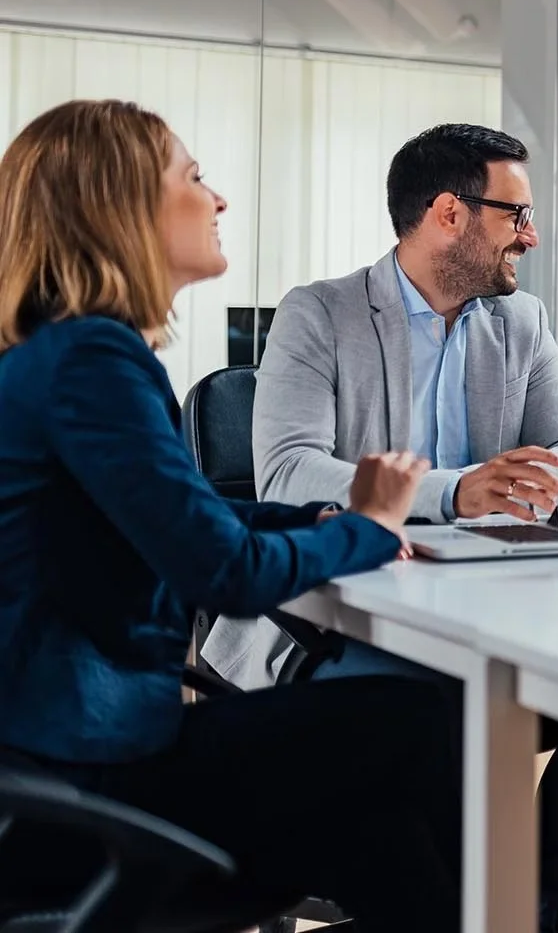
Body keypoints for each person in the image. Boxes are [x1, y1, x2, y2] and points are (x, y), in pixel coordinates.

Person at [0, 100, 457, 932]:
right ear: (120, 205)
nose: (217, 200)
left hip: (55, 768)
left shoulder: (59, 354)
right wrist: (369, 530)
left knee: (370, 826)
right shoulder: (93, 360)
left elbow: (190, 510)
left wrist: (323, 516)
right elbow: (224, 571)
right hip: (80, 788)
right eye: (195, 177)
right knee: (425, 720)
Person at [199, 123, 558, 931]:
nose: (531, 235)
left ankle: (527, 907)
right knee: (438, 715)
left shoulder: (520, 322)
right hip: (332, 630)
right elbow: (289, 473)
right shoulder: (320, 314)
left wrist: (536, 479)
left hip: (488, 612)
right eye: (516, 215)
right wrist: (455, 492)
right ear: (449, 212)